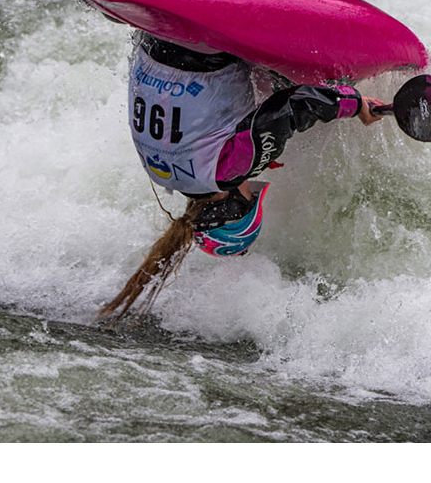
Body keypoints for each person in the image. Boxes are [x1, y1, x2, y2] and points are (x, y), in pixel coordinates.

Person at [97, 31, 385, 324]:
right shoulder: (163, 175)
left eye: (250, 197)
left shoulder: (227, 171)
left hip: (206, 49)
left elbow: (295, 105)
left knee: (300, 88)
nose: (251, 187)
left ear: (236, 204)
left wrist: (354, 104)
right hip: (155, 40)